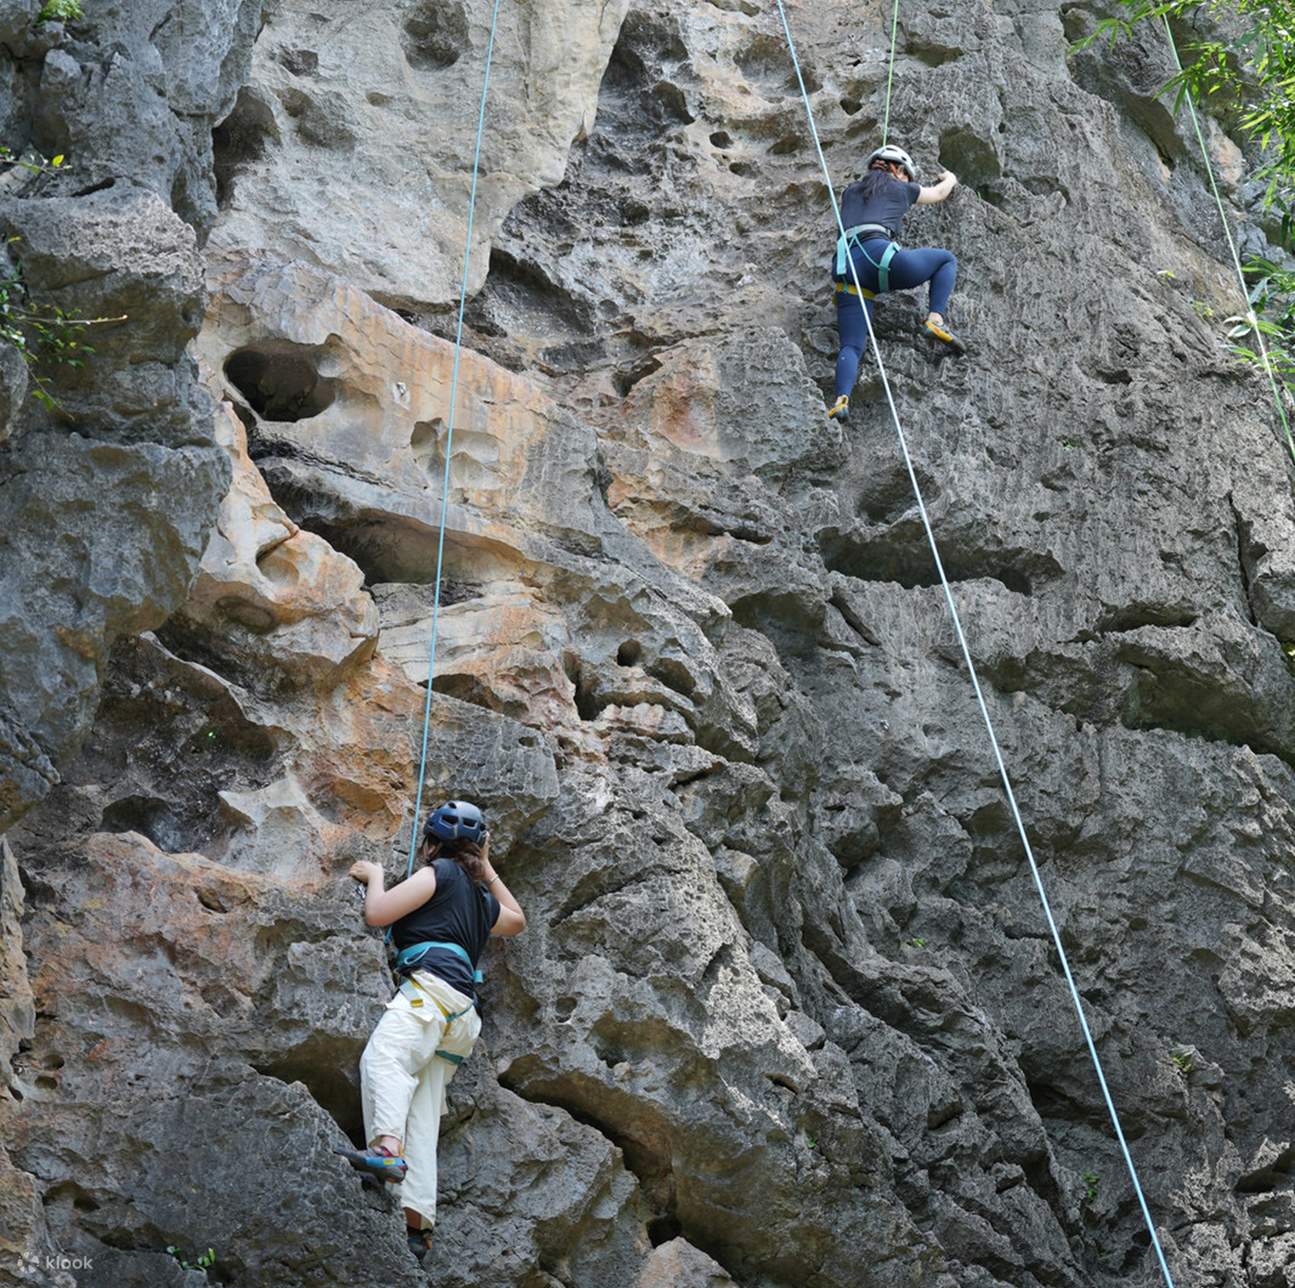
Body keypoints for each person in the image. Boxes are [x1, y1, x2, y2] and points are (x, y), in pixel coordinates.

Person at [340, 799, 526, 1262]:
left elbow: (378, 913)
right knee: (422, 1110)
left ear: (430, 844)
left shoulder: (437, 872)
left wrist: (377, 875)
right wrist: (487, 869)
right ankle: (417, 1222)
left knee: (383, 1059)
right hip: (462, 1017)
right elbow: (518, 921)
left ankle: (386, 1150)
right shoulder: (483, 899)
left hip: (431, 995)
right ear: (477, 848)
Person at [828, 143, 964, 423]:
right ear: (899, 170)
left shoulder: (850, 192)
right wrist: (950, 178)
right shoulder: (901, 187)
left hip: (846, 269)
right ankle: (934, 320)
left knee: (851, 346)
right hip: (879, 258)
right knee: (946, 260)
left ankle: (840, 399)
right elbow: (939, 193)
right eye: (908, 175)